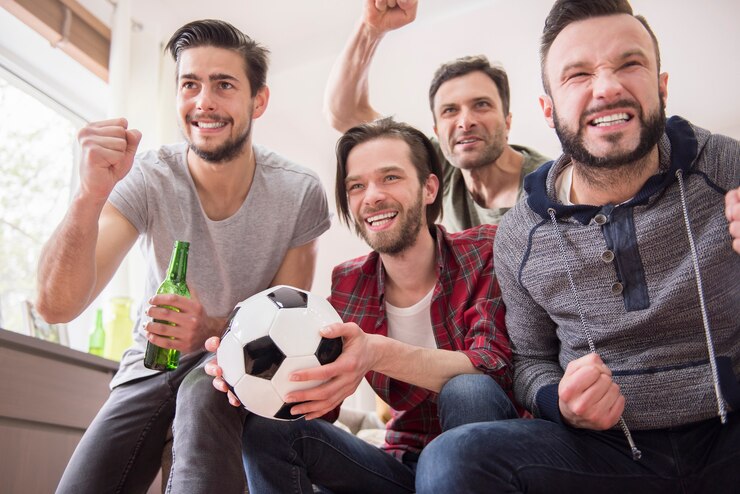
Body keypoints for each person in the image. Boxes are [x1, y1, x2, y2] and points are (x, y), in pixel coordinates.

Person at [415, 1, 740, 492]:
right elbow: (528, 361)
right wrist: (559, 402)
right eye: (578, 74)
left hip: (731, 428)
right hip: (606, 452)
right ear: (548, 110)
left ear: (662, 86)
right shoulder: (519, 234)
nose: (606, 88)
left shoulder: (726, 166)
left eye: (629, 64)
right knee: (453, 459)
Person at [36, 19, 330, 494]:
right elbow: (56, 306)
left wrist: (212, 330)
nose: (203, 101)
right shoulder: (149, 177)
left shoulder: (299, 193)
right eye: (189, 84)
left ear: (258, 100)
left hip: (240, 376)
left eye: (224, 85)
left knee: (203, 393)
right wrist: (89, 195)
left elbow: (287, 335)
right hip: (150, 368)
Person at [206, 118, 521, 493]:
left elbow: (495, 366)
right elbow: (324, 403)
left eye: (390, 178)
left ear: (429, 188)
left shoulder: (484, 251)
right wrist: (251, 378)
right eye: (357, 185)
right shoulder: (349, 283)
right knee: (270, 429)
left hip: (489, 464)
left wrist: (376, 353)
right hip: (403, 466)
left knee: (467, 391)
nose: (371, 196)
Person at [324, 0, 549, 231]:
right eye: (450, 110)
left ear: (507, 122)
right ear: (437, 132)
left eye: (481, 105)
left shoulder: (550, 187)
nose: (465, 122)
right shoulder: (443, 165)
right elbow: (344, 114)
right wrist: (370, 29)